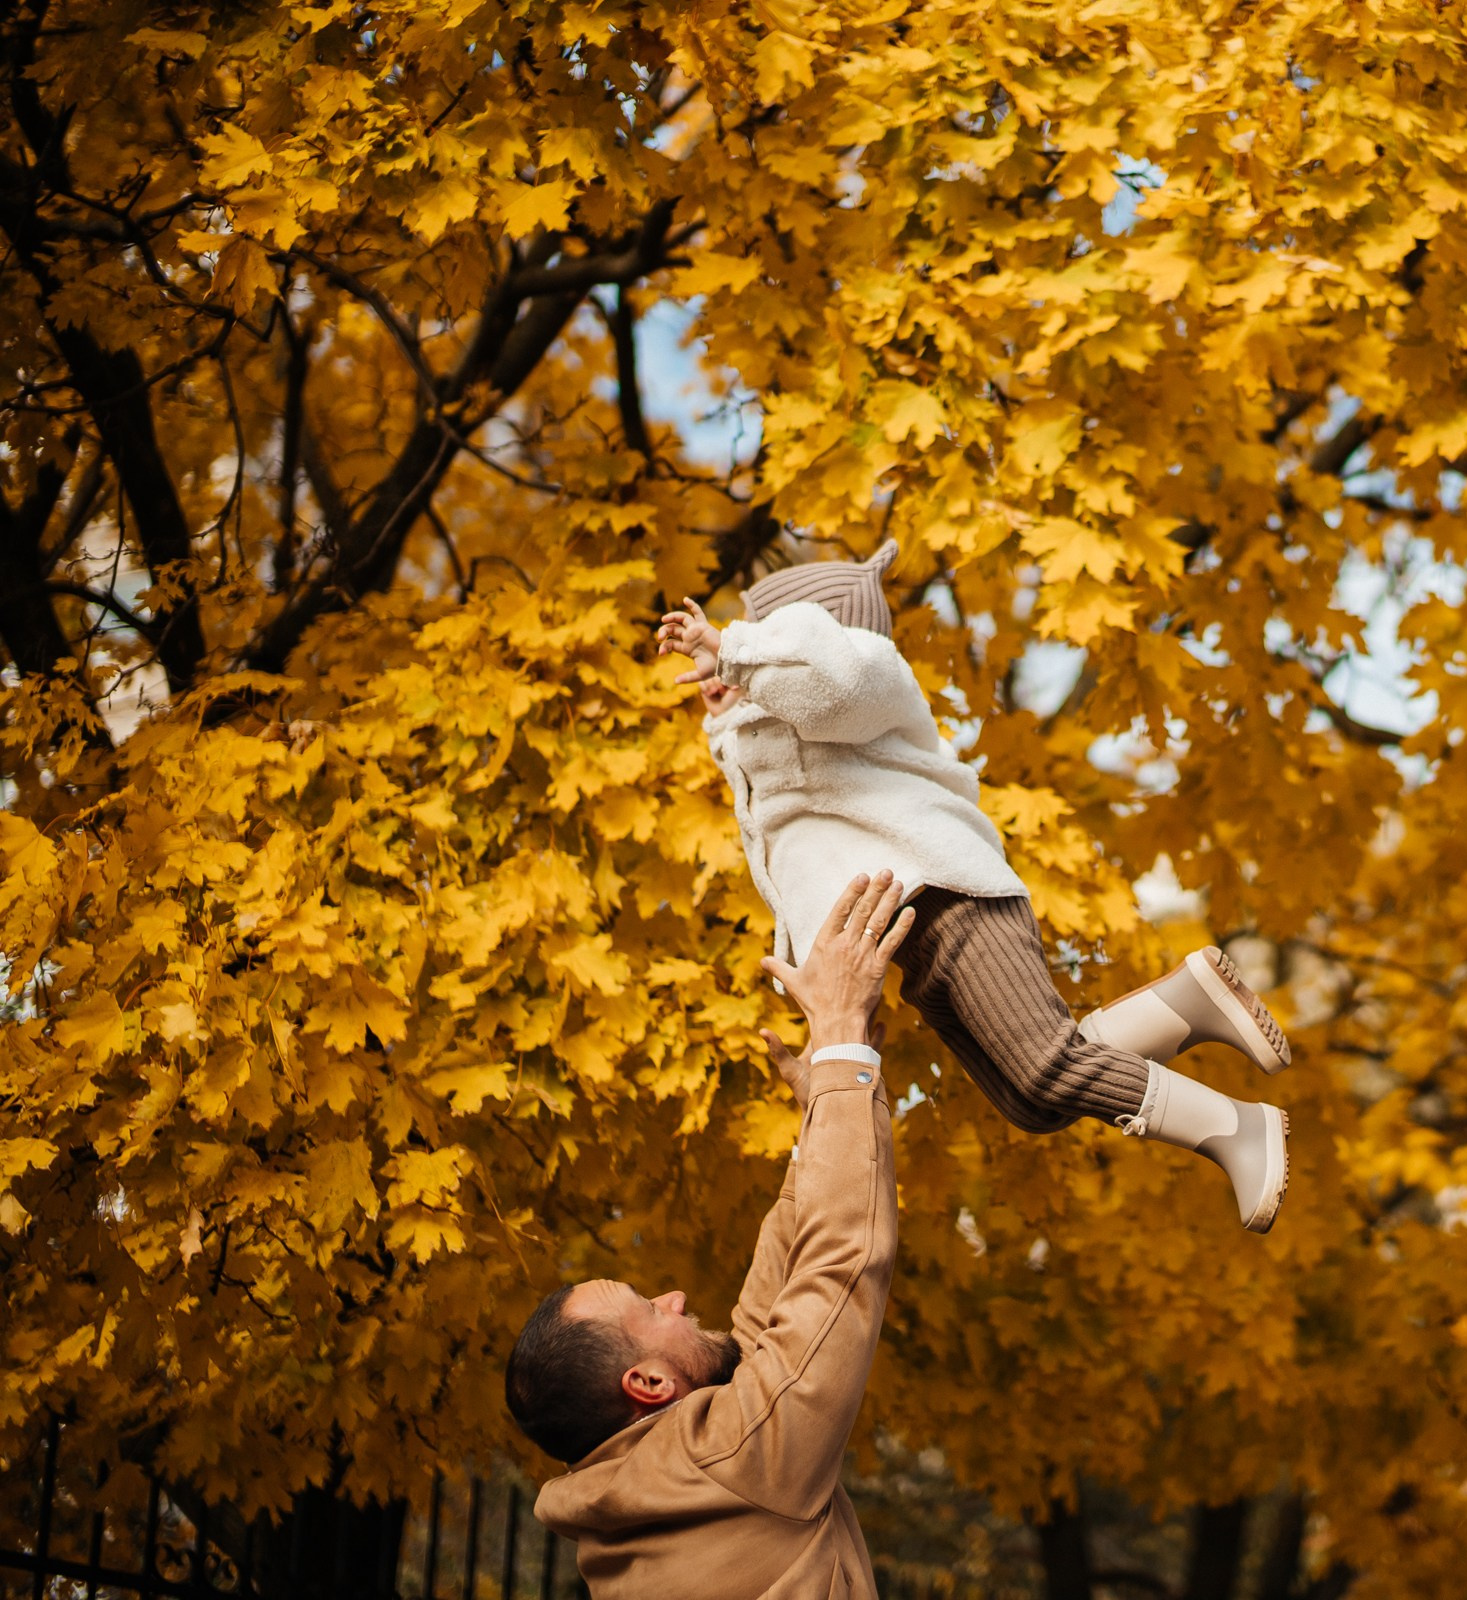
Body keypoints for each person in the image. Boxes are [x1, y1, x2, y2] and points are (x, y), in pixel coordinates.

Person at [655, 541, 1292, 1231]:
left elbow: (830, 684)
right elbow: (787, 824)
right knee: (1033, 1103)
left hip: (950, 896)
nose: (726, 664)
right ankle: (1187, 1002)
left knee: (1048, 1066)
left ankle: (1238, 1129)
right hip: (912, 940)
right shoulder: (771, 736)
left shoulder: (868, 672)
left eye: (763, 637)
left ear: (803, 634)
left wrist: (736, 649)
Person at [506, 872, 913, 1599]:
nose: (675, 1296)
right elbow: (837, 1269)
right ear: (649, 1383)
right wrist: (842, 1038)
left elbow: (764, 1339)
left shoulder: (650, 1490)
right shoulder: (732, 1459)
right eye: (650, 1309)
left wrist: (828, 1110)